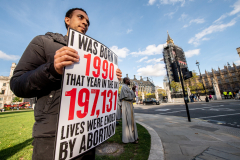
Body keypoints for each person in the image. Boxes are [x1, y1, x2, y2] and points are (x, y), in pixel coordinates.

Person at [10, 8, 122, 160]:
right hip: (52, 136)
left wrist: (110, 78)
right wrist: (52, 69)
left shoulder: (93, 57)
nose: (85, 23)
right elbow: (17, 84)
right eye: (80, 17)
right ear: (67, 20)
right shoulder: (43, 42)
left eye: (88, 22)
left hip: (87, 135)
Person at [120, 77, 138, 144]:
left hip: (129, 104)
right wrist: (131, 92)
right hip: (127, 105)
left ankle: (133, 136)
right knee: (128, 121)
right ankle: (129, 138)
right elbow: (127, 96)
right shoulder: (124, 87)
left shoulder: (127, 87)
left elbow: (131, 96)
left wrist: (133, 90)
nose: (129, 80)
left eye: (129, 79)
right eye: (128, 80)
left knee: (131, 120)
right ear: (125, 81)